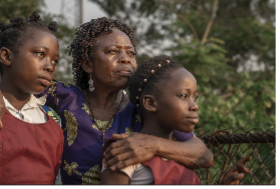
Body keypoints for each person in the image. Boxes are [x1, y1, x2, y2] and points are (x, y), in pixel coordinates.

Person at [0, 17, 214, 185]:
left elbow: (203, 155)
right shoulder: (62, 97)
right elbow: (17, 84)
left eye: (130, 53)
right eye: (112, 52)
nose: (125, 59)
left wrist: (153, 145)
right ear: (87, 64)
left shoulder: (145, 109)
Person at [100, 55, 251, 185]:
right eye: (184, 96)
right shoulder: (124, 150)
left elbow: (205, 156)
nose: (195, 106)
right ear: (151, 103)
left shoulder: (183, 153)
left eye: (195, 98)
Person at [0, 12, 64, 185]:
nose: (50, 66)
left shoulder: (53, 120)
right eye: (40, 54)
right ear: (6, 56)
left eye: (55, 61)